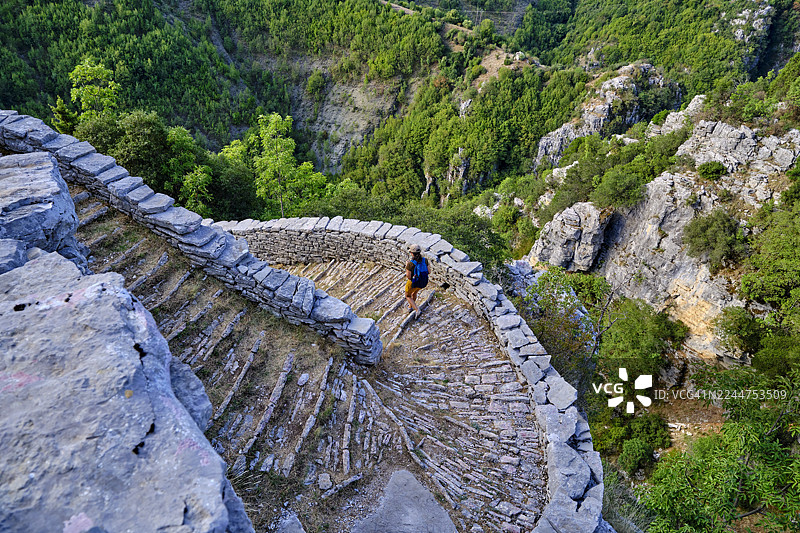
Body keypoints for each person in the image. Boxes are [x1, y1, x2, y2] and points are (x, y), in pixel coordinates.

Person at [405, 243, 428, 319]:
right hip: (422, 282)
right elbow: (429, 271)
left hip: (413, 282)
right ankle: (410, 306)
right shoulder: (425, 260)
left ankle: (417, 309)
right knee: (414, 293)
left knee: (408, 295)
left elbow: (408, 276)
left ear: (411, 253)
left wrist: (407, 266)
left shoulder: (410, 264)